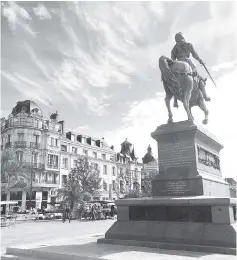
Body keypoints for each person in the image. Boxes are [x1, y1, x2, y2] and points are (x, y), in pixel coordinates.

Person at [171, 32, 210, 107]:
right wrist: (200, 61)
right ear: (183, 38)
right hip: (188, 63)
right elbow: (194, 54)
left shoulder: (174, 49)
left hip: (178, 65)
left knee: (174, 82)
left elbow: (173, 61)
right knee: (199, 78)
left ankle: (175, 102)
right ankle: (205, 96)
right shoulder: (188, 45)